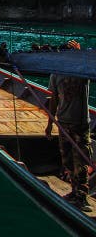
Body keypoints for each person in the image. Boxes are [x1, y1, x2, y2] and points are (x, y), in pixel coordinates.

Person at [45, 74, 93, 212]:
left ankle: (82, 197)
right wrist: (50, 123)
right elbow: (54, 99)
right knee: (68, 160)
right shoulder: (55, 74)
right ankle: (74, 191)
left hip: (80, 124)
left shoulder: (82, 72)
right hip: (63, 122)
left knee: (81, 162)